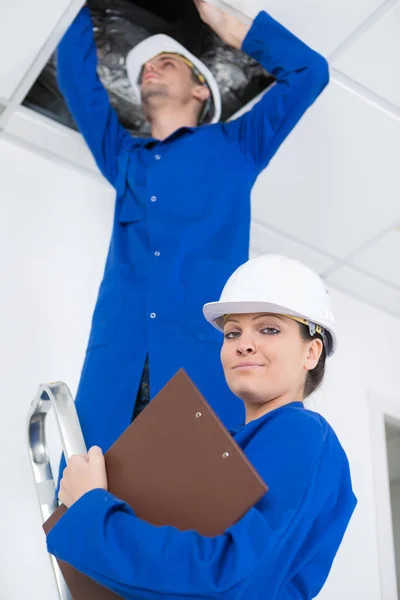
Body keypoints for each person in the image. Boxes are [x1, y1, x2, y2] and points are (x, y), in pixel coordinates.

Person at [56, 0, 330, 468]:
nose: (150, 70)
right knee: (86, 517)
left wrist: (227, 24)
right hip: (116, 370)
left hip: (196, 373)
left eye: (167, 63)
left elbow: (309, 72)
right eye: (143, 68)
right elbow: (74, 73)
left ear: (202, 89)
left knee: (194, 514)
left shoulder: (238, 147)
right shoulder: (127, 159)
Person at [47, 254, 357, 600]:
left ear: (311, 352)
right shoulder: (226, 446)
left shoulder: (302, 434)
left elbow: (229, 580)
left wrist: (90, 511)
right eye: (232, 332)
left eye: (269, 328)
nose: (244, 343)